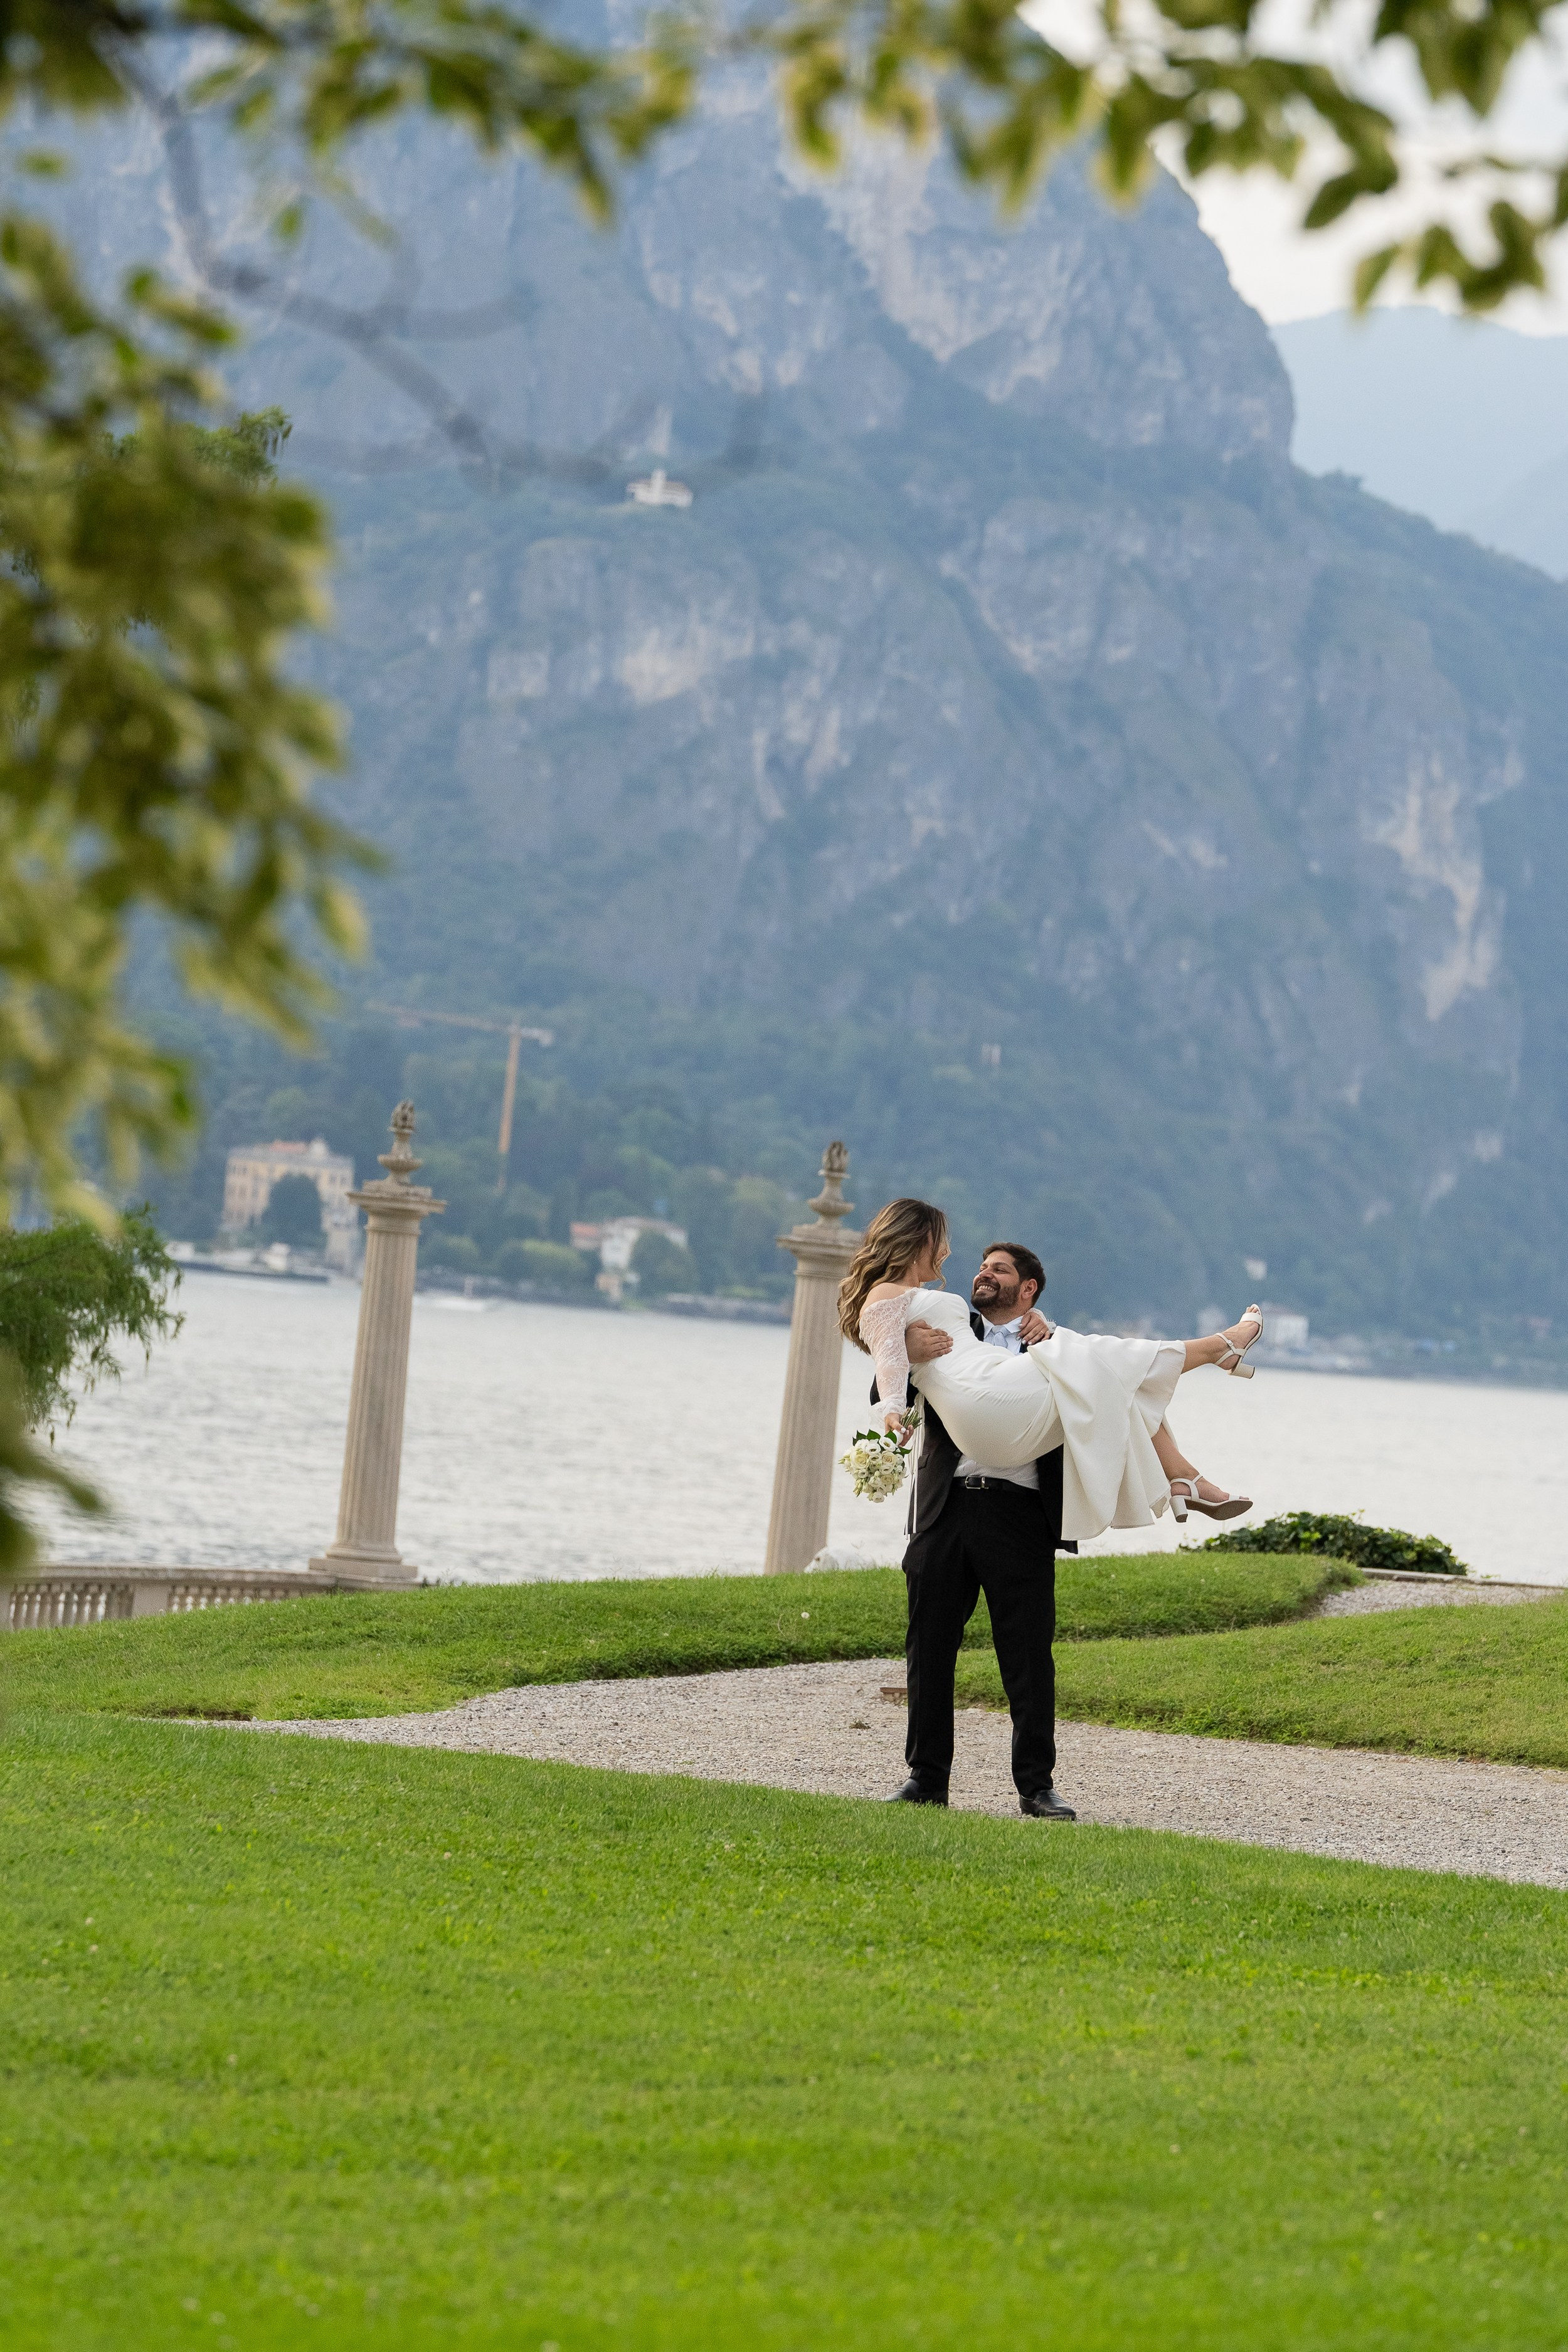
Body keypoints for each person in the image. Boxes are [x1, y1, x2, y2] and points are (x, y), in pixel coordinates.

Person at [842, 1199, 1259, 1820]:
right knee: (927, 1650)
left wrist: (1050, 1341)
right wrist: (904, 1356)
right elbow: (885, 1377)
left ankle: (1036, 1787)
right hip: (946, 1505)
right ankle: (925, 1779)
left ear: (1026, 1288)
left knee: (1028, 1655)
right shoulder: (929, 1321)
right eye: (975, 1261)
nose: (977, 1270)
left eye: (998, 1268)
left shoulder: (1050, 1340)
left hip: (1021, 1510)